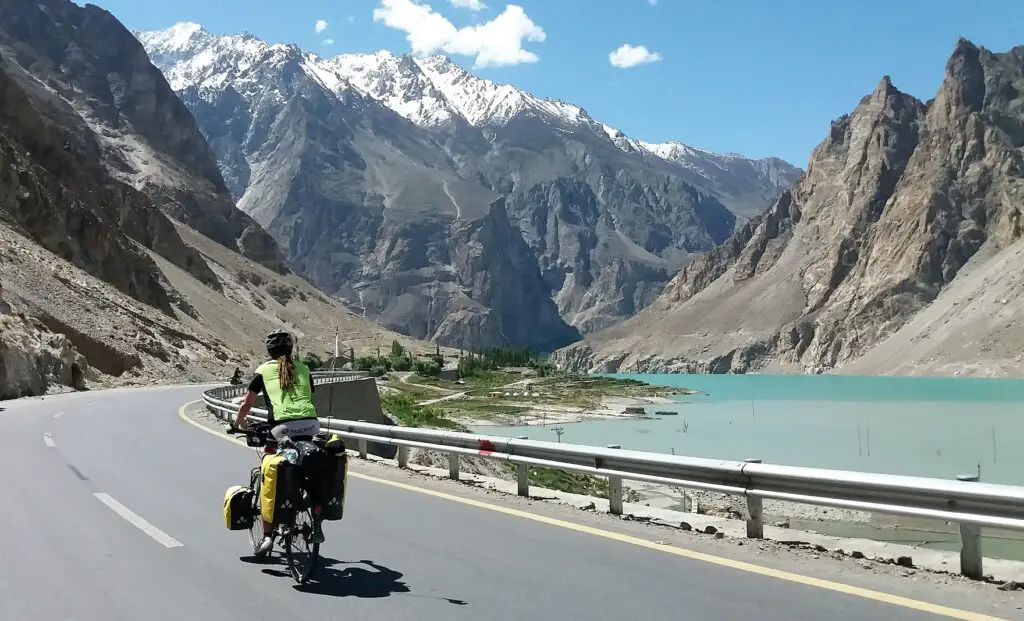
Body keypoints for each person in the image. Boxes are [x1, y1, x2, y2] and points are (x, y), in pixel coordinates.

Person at [233, 329, 323, 553]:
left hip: (282, 428)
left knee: (268, 471)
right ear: (291, 349)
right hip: (312, 425)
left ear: (269, 351)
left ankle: (267, 536)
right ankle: (317, 522)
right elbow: (309, 393)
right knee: (313, 466)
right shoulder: (304, 368)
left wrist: (236, 424)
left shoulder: (263, 370)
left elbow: (247, 403)